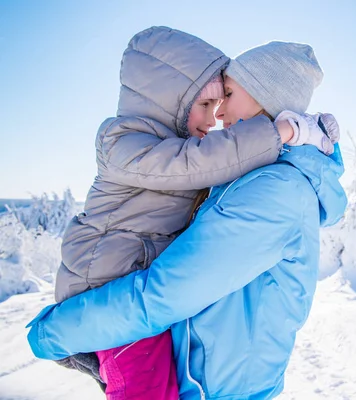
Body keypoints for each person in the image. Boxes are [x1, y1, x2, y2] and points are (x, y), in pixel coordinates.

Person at [46, 26, 338, 399]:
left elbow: (172, 291)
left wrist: (53, 332)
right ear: (172, 100)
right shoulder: (127, 142)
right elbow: (201, 164)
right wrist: (283, 134)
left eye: (227, 96)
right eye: (209, 104)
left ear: (266, 99)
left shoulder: (275, 189)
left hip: (203, 373)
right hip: (103, 288)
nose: (219, 116)